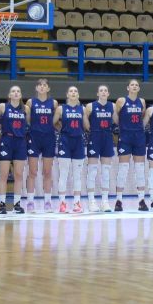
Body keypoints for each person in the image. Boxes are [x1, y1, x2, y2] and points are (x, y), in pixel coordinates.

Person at [25, 78, 59, 213]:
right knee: (32, 171)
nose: (42, 87)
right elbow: (28, 120)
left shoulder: (54, 103)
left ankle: (48, 202)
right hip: (34, 138)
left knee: (47, 172)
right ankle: (30, 202)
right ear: (36, 88)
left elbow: (55, 121)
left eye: (45, 85)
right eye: (40, 85)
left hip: (49, 138)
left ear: (48, 88)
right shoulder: (30, 102)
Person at [114, 79, 147, 212]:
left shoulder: (142, 102)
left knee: (140, 169)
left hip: (139, 137)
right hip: (125, 137)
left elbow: (142, 117)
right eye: (132, 85)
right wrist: (122, 127)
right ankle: (118, 200)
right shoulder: (121, 101)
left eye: (136, 85)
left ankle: (141, 200)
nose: (134, 86)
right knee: (123, 168)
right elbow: (116, 116)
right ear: (128, 88)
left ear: (139, 88)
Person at [0, 86, 28, 214]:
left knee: (18, 174)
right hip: (7, 140)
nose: (16, 93)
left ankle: (17, 204)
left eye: (18, 91)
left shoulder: (25, 109)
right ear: (9, 95)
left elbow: (28, 123)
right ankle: (2, 204)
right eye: (13, 91)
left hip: (20, 141)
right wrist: (1, 130)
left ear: (20, 95)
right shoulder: (2, 107)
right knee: (3, 174)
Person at [55, 86, 87, 214]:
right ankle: (62, 203)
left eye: (75, 91)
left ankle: (77, 202)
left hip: (78, 141)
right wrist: (61, 129)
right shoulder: (61, 109)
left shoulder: (82, 109)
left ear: (78, 95)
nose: (73, 93)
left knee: (77, 175)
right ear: (67, 94)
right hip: (65, 141)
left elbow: (86, 125)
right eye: (71, 91)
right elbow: (53, 122)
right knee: (63, 173)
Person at [85, 85, 117, 212]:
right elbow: (84, 120)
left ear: (108, 93)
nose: (103, 92)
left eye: (105, 90)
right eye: (101, 91)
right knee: (92, 170)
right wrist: (90, 129)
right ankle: (91, 201)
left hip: (107, 137)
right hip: (95, 137)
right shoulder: (90, 106)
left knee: (106, 171)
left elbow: (117, 121)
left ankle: (105, 201)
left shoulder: (112, 106)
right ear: (97, 93)